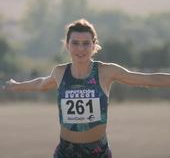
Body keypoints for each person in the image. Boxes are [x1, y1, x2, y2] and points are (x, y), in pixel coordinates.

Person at [3, 18, 170, 158]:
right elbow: (41, 84)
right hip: (65, 152)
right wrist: (17, 86)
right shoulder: (60, 72)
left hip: (97, 152)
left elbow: (148, 79)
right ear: (67, 45)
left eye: (86, 43)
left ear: (93, 45)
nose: (80, 49)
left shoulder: (105, 71)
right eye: (75, 43)